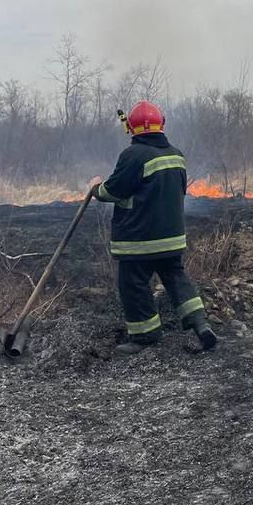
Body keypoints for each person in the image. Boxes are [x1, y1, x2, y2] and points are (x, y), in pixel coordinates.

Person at [91, 100, 219, 356]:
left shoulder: (133, 155)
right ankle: (200, 323)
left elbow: (112, 191)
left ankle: (145, 336)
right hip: (171, 238)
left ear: (134, 129)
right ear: (162, 124)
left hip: (138, 240)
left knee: (133, 283)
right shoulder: (176, 154)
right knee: (176, 277)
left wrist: (95, 187)